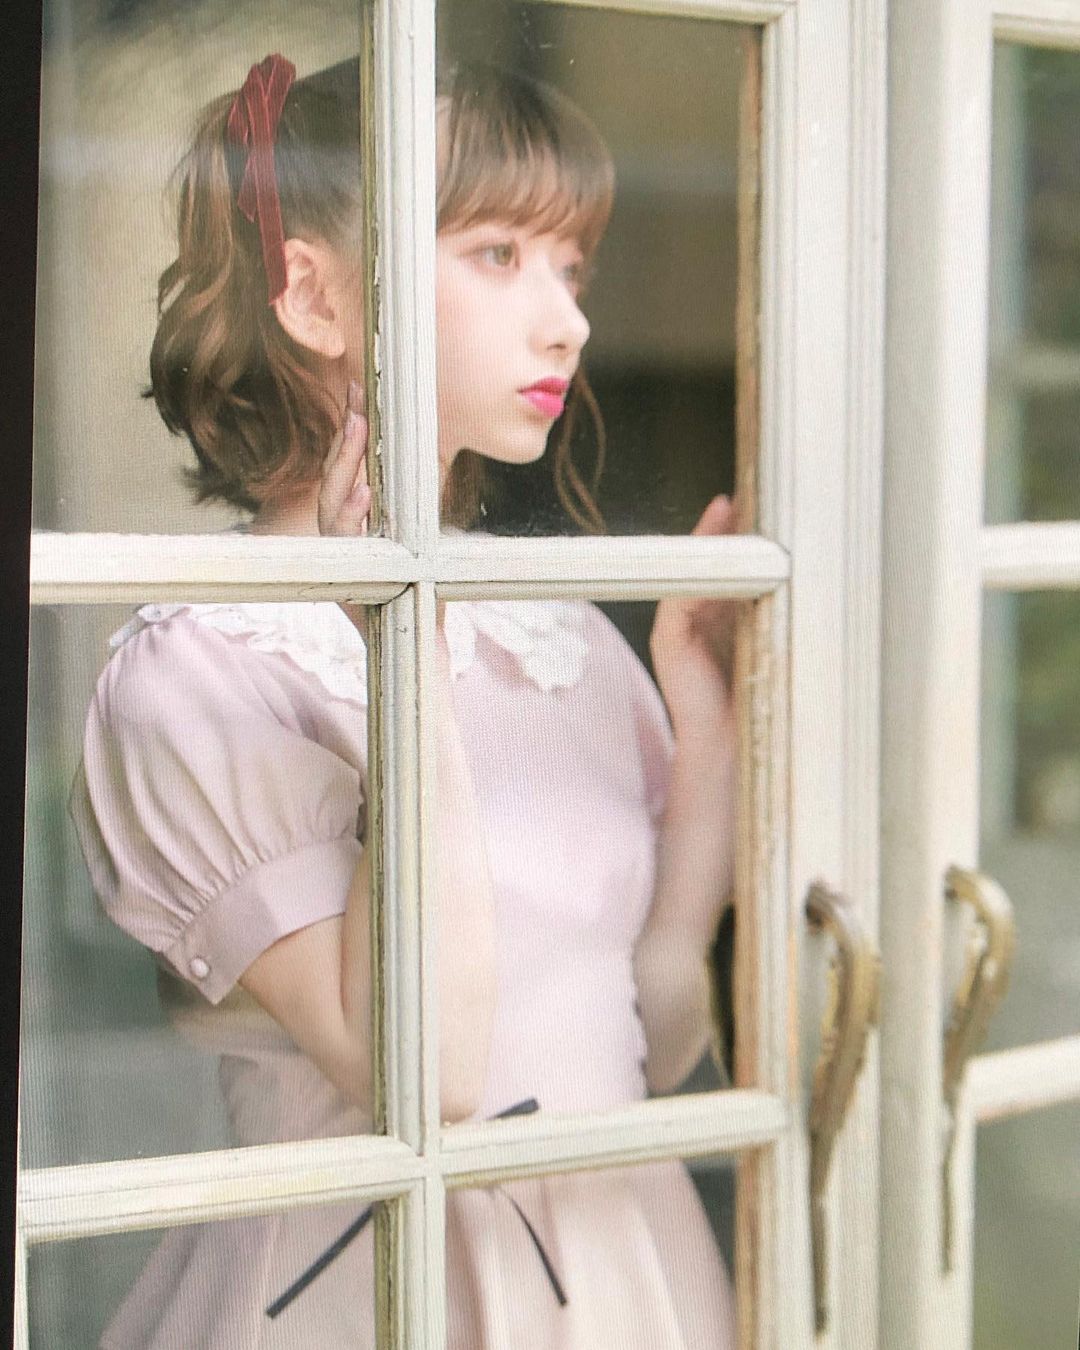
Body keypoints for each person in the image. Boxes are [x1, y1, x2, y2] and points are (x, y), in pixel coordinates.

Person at [72, 51, 739, 1349]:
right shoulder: (203, 675)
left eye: (574, 269)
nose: (568, 322)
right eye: (499, 254)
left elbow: (654, 1038)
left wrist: (702, 726)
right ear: (314, 296)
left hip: (624, 1272)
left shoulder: (561, 637)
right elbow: (429, 1073)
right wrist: (404, 653)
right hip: (373, 1297)